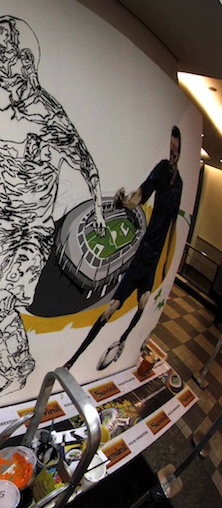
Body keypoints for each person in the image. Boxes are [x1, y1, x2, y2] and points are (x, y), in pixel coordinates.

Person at [0, 15, 105, 398]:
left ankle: (20, 375)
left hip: (34, 230)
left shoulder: (49, 115)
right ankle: (20, 368)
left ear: (25, 57)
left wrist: (100, 212)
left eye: (3, 49)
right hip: (2, 224)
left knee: (2, 304)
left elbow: (86, 163)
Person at [64, 126, 183, 371]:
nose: (172, 153)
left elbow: (172, 226)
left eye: (176, 149)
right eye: (170, 147)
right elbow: (142, 193)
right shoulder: (161, 170)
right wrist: (124, 203)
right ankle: (73, 360)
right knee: (111, 309)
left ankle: (122, 342)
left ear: (179, 151)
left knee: (144, 303)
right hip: (143, 254)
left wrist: (168, 261)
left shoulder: (179, 184)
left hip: (154, 259)